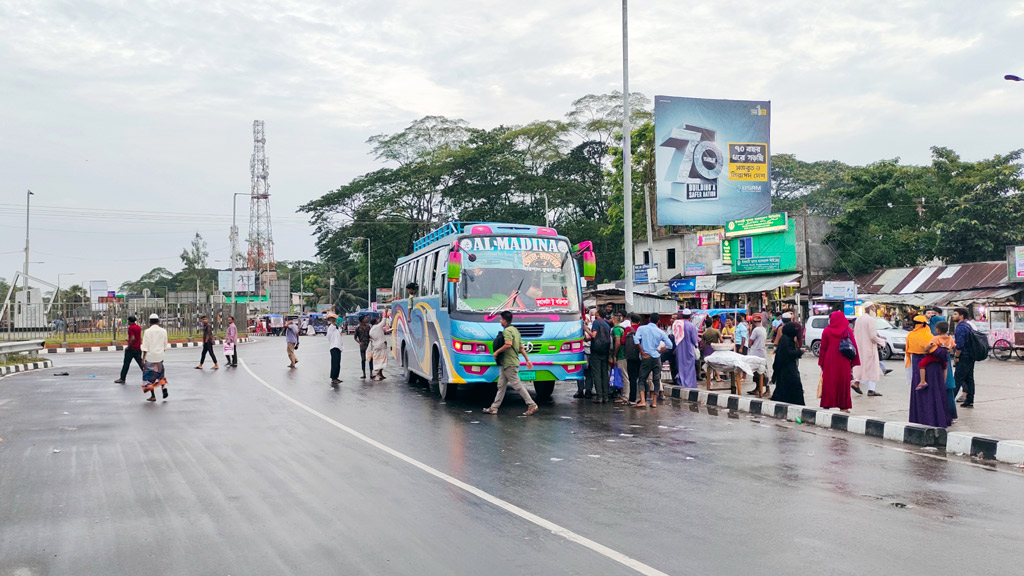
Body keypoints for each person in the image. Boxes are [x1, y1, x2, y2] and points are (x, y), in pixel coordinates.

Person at [483, 310, 538, 416]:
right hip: (507, 363)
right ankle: (494, 408)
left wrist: (496, 352)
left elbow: (508, 344)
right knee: (501, 385)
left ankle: (531, 404)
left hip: (509, 363)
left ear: (504, 320)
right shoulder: (515, 331)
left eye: (500, 319)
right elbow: (521, 347)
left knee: (516, 385)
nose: (500, 321)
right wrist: (527, 360)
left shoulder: (507, 331)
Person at [909, 318, 953, 428]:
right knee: (936, 391)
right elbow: (943, 352)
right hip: (934, 367)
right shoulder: (929, 335)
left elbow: (929, 349)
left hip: (920, 365)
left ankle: (921, 418)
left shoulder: (911, 335)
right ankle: (935, 418)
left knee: (923, 392)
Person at [817, 310, 859, 412]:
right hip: (843, 360)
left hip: (829, 358)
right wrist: (855, 361)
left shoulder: (827, 330)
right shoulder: (847, 330)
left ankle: (827, 404)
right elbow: (854, 345)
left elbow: (823, 348)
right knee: (843, 382)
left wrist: (821, 362)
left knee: (829, 381)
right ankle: (843, 406)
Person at [633, 313, 672, 408]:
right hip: (656, 357)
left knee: (642, 379)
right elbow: (670, 345)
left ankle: (642, 401)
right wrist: (661, 350)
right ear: (658, 321)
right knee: (656, 380)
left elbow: (636, 340)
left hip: (646, 357)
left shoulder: (641, 328)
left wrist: (642, 351)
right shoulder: (660, 332)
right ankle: (654, 402)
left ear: (649, 319)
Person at [852, 303, 885, 397]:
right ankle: (871, 390)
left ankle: (857, 383)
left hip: (859, 346)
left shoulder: (859, 319)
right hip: (869, 347)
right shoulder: (870, 319)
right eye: (873, 308)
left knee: (861, 366)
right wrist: (882, 341)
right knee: (871, 368)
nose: (874, 310)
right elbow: (872, 336)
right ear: (870, 309)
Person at [771, 322, 805, 405]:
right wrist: (798, 352)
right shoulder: (786, 340)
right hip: (787, 369)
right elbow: (787, 353)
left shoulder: (787, 338)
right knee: (793, 386)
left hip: (785, 369)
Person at [952, 308, 977, 408]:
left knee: (957, 379)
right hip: (970, 355)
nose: (953, 316)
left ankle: (949, 401)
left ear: (961, 316)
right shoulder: (968, 325)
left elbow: (960, 345)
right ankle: (970, 400)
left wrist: (956, 356)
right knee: (969, 378)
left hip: (964, 356)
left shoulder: (961, 327)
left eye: (955, 314)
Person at [140, 313, 169, 402]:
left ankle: (153, 396)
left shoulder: (147, 331)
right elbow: (165, 344)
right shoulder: (163, 331)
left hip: (150, 356)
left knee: (149, 377)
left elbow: (145, 346)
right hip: (160, 356)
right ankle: (163, 387)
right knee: (160, 374)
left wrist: (143, 358)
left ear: (150, 322)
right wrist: (161, 353)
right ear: (158, 321)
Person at [589, 308, 613, 403]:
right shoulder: (607, 324)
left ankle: (599, 396)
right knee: (604, 373)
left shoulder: (596, 322)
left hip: (596, 351)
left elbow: (594, 335)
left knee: (597, 374)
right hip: (605, 350)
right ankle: (605, 396)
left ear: (598, 314)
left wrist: (585, 329)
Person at [672, 309, 700, 389]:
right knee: (689, 367)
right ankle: (689, 384)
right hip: (689, 349)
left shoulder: (677, 324)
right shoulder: (691, 326)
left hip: (679, 349)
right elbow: (694, 340)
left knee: (680, 366)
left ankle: (681, 382)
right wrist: (696, 345)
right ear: (690, 316)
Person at [114, 315, 144, 384]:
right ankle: (149, 376)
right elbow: (137, 337)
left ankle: (122, 378)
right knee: (141, 364)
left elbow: (133, 338)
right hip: (138, 348)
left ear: (129, 321)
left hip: (131, 349)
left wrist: (128, 346)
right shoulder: (138, 327)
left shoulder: (131, 328)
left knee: (126, 364)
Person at [904, 315, 932, 386]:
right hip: (928, 359)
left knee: (917, 377)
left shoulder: (911, 335)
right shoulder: (929, 334)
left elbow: (909, 347)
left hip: (915, 358)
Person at [611, 312, 632, 405]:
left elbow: (618, 342)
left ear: (614, 320)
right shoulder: (623, 329)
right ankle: (624, 395)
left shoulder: (616, 330)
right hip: (626, 354)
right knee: (624, 375)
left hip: (621, 355)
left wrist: (614, 354)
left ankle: (625, 397)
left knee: (624, 376)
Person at [745, 313, 769, 395]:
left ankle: (762, 388)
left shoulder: (756, 330)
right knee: (763, 371)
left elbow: (750, 342)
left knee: (757, 372)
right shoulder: (763, 329)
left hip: (755, 352)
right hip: (762, 352)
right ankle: (760, 388)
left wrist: (749, 331)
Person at [625, 313, 643, 403]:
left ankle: (632, 398)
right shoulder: (641, 329)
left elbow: (623, 341)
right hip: (641, 356)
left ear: (631, 321)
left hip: (630, 357)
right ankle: (642, 398)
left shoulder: (628, 329)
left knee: (632, 378)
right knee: (641, 378)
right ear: (639, 322)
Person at [700, 316, 723, 383]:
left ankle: (709, 377)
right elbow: (721, 340)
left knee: (708, 364)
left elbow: (702, 344)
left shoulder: (704, 333)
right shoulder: (716, 331)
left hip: (707, 349)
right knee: (715, 363)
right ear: (712, 323)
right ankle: (718, 377)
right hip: (715, 348)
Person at [368, 315, 390, 380]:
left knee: (377, 360)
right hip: (381, 345)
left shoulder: (371, 330)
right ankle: (376, 374)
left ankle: (380, 374)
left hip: (376, 345)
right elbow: (384, 322)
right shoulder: (378, 327)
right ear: (376, 322)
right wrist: (385, 312)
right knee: (381, 360)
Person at [326, 313, 343, 386]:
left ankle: (336, 377)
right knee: (335, 364)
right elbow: (333, 323)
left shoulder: (336, 330)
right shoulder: (331, 328)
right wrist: (334, 319)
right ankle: (333, 378)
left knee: (338, 364)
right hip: (334, 347)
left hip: (338, 348)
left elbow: (340, 329)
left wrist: (340, 324)